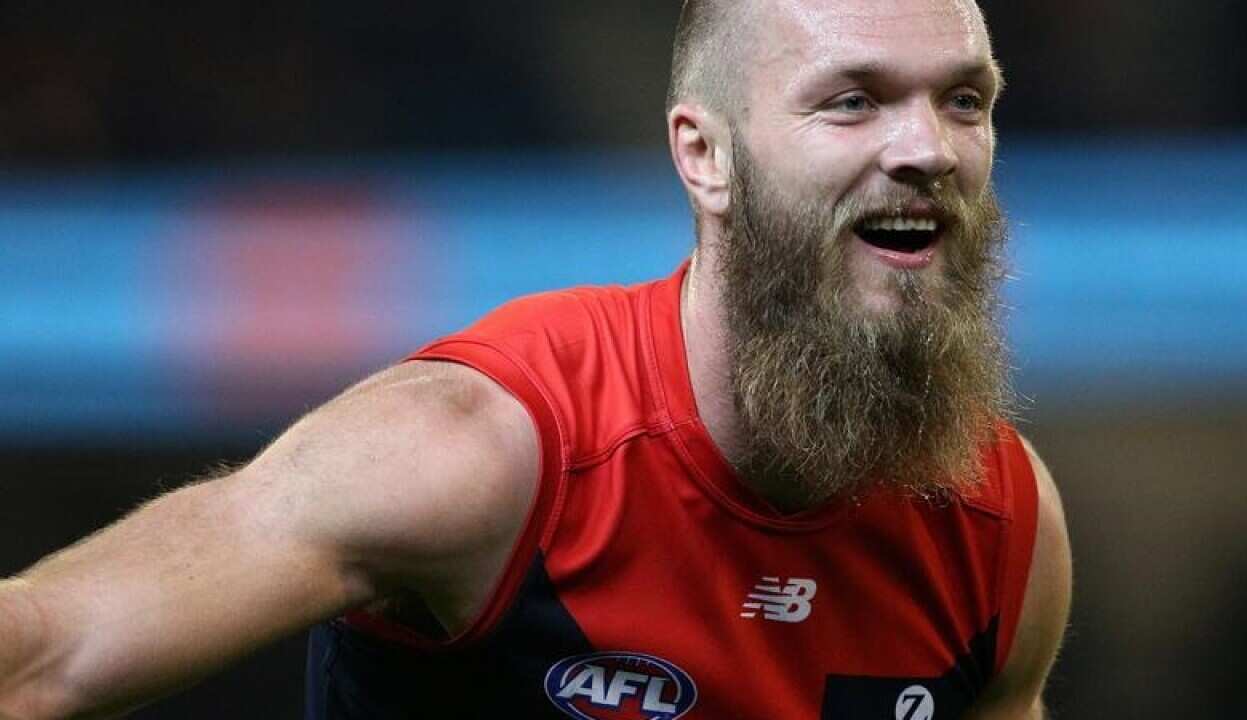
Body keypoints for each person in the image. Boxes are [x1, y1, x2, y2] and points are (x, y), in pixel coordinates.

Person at [0, 0, 1071, 718]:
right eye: (853, 100)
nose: (928, 148)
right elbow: (48, 652)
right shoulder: (481, 447)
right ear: (704, 157)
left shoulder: (1000, 522)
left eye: (962, 99)